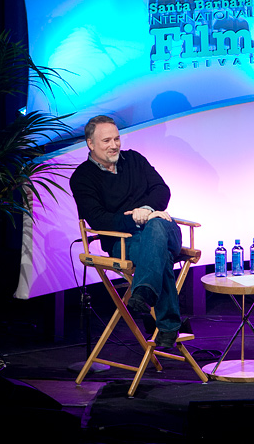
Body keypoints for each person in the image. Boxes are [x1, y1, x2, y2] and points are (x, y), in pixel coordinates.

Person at [70, 115, 183, 348]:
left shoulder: (135, 160)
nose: (114, 145)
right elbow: (99, 219)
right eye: (106, 141)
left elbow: (162, 190)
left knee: (157, 226)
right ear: (90, 144)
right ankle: (169, 326)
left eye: (117, 139)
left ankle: (144, 293)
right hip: (123, 243)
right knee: (158, 252)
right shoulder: (82, 178)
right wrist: (135, 219)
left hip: (164, 229)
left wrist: (147, 210)